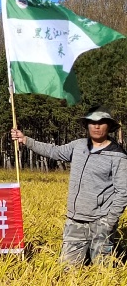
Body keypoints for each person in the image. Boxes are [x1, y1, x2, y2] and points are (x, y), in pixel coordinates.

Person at [11, 105, 127, 265]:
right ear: (87, 125)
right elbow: (54, 151)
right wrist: (25, 140)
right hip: (75, 221)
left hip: (101, 221)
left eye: (101, 122)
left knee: (102, 269)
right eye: (92, 122)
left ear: (109, 126)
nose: (96, 126)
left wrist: (109, 221)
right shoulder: (78, 146)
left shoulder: (118, 156)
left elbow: (123, 192)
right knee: (67, 268)